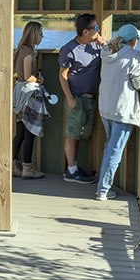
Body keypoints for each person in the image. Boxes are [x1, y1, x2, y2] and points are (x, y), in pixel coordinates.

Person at [95, 23, 140, 200]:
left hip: (105, 108)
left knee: (110, 147)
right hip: (122, 110)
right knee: (115, 151)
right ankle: (103, 190)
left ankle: (103, 185)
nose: (138, 41)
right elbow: (139, 83)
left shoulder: (107, 52)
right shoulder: (134, 56)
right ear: (133, 40)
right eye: (137, 38)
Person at [58, 13, 105, 184]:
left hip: (91, 99)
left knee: (80, 135)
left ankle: (74, 168)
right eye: (96, 28)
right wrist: (70, 98)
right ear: (86, 31)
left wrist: (103, 43)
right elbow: (62, 76)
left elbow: (115, 54)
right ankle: (71, 171)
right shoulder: (69, 50)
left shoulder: (97, 46)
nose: (98, 31)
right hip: (76, 98)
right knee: (72, 134)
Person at [12, 21, 49, 179]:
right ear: (33, 34)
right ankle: (27, 168)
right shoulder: (28, 53)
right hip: (28, 95)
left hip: (20, 93)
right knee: (30, 133)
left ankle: (13, 166)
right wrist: (39, 80)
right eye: (40, 34)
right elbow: (27, 76)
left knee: (20, 133)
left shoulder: (21, 49)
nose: (42, 37)